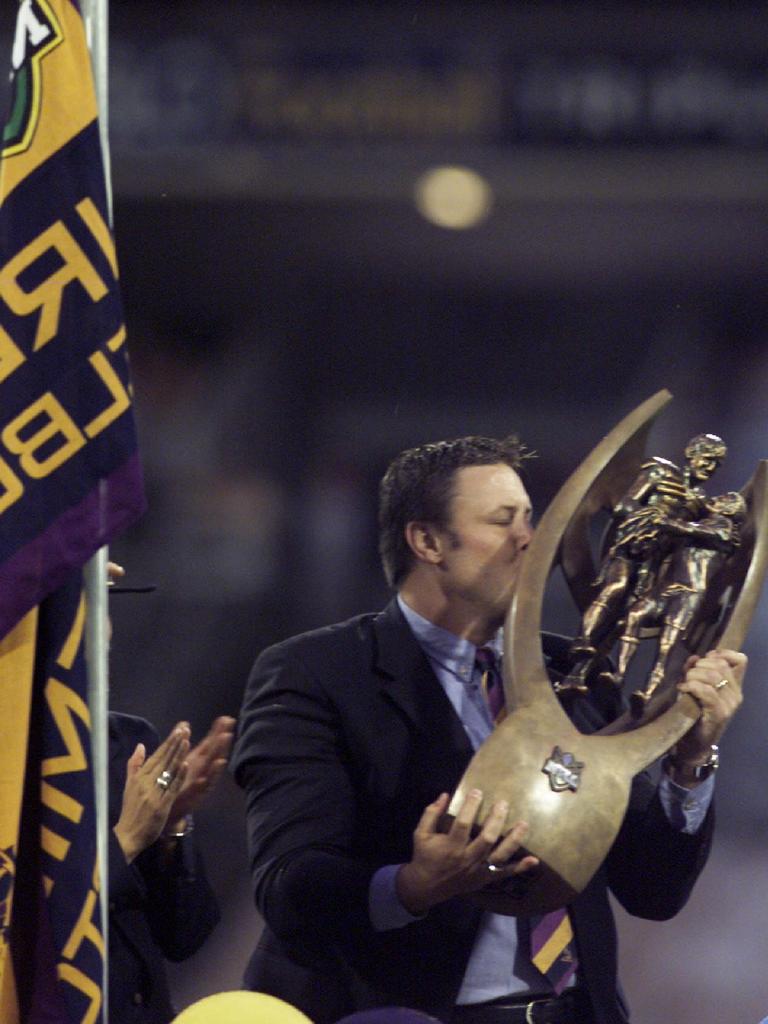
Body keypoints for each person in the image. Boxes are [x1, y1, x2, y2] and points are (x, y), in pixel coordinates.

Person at [230, 435, 745, 1024]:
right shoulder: (317, 673)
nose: (531, 540)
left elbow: (653, 892)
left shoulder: (576, 675)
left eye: (532, 519)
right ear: (427, 541)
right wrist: (414, 885)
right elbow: (290, 886)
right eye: (505, 521)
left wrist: (690, 764)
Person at [107, 564, 235, 1023]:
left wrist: (172, 828)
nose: (99, 631)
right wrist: (124, 842)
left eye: (102, 607)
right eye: (78, 611)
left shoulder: (127, 741)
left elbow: (186, 936)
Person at [562, 433, 727, 693]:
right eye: (707, 459)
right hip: (631, 547)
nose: (709, 467)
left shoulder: (702, 503)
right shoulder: (660, 472)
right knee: (616, 587)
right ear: (691, 454)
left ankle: (579, 675)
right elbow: (625, 505)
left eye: (716, 464)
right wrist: (650, 518)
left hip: (656, 566)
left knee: (625, 619)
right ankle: (582, 641)